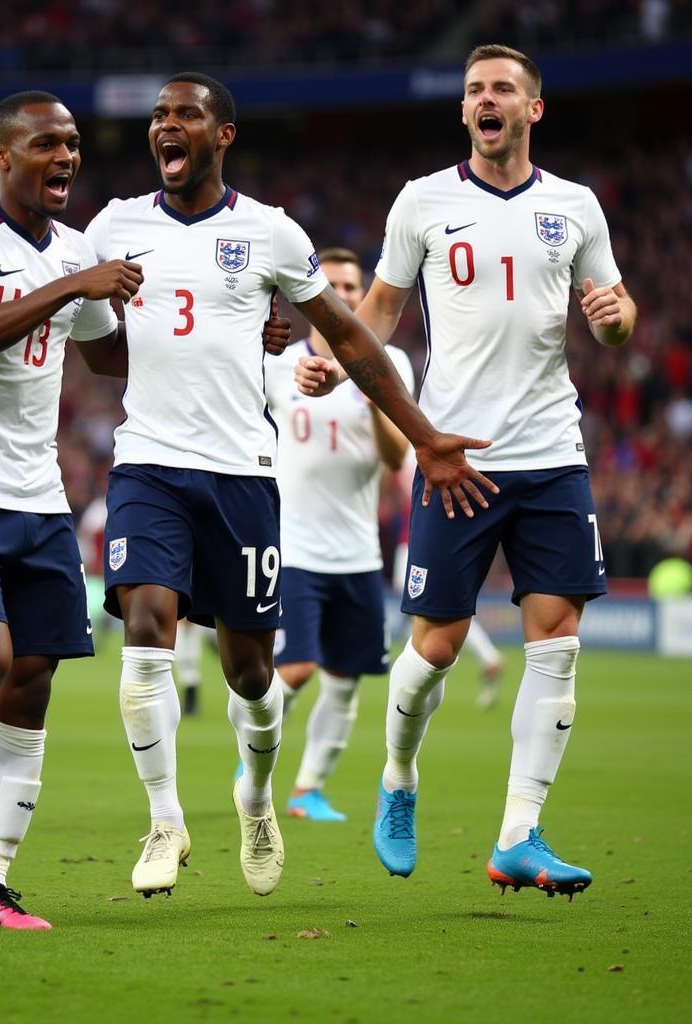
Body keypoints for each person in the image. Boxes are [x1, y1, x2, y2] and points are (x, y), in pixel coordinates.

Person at [82, 71, 495, 900]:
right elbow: (99, 353)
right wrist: (114, 315)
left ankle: (257, 797)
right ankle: (164, 820)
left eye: (186, 114)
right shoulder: (112, 227)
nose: (167, 125)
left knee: (250, 676)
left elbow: (348, 337)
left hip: (241, 478)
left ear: (223, 134)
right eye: (159, 115)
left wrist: (425, 439)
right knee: (146, 629)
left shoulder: (270, 234)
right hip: (149, 466)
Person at [0, 89, 292, 929]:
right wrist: (75, 281)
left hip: (40, 498)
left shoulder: (77, 248)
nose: (68, 158)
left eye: (75, 144)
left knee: (29, 688)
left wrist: (235, 336)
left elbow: (114, 353)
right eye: (48, 144)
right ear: (3, 155)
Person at [296, 44, 636, 899]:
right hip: (454, 457)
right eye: (476, 90)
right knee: (438, 646)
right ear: (464, 112)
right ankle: (398, 776)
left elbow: (617, 316)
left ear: (533, 110)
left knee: (556, 640)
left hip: (552, 454)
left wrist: (616, 315)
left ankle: (520, 833)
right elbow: (378, 309)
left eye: (504, 90)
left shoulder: (576, 207)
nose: (488, 100)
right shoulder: (423, 201)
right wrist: (336, 363)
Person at [262, 247, 413, 822]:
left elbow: (395, 452)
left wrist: (373, 390)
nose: (346, 296)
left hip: (356, 550)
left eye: (354, 287)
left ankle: (307, 789)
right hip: (293, 544)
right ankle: (254, 753)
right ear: (311, 295)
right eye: (334, 286)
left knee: (346, 679)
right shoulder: (279, 365)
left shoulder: (390, 359)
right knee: (296, 668)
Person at [391, 447, 505, 711]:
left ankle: (487, 657)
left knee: (427, 607)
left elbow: (399, 494)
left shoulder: (415, 452)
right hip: (425, 536)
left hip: (416, 540)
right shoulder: (434, 447)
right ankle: (483, 657)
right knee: (424, 609)